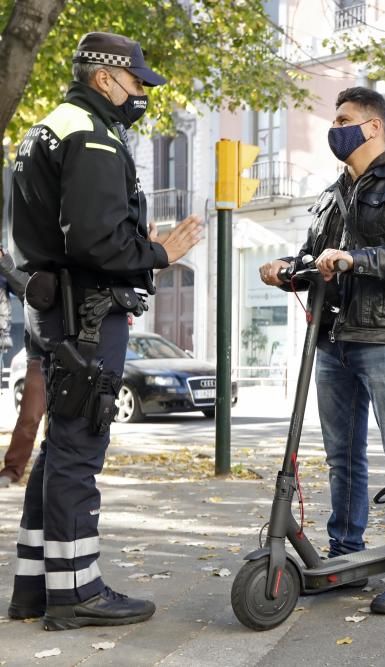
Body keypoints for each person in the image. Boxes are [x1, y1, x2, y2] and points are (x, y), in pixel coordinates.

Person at [7, 32, 203, 630]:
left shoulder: (48, 127)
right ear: (105, 78)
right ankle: (77, 593)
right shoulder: (91, 136)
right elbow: (95, 240)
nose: (142, 92)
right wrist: (157, 254)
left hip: (57, 309)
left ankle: (38, 587)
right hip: (86, 313)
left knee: (58, 448)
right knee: (78, 449)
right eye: (137, 81)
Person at [258, 87, 385, 615]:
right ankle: (346, 555)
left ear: (373, 126)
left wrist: (356, 260)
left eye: (343, 119)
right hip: (332, 339)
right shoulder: (332, 193)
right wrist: (285, 267)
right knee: (343, 458)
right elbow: (317, 256)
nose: (333, 128)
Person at [0, 247, 44, 490]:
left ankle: (54, 470)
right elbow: (26, 290)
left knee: (64, 424)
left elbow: (28, 290)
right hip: (40, 355)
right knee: (29, 415)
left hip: (68, 352)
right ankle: (12, 469)